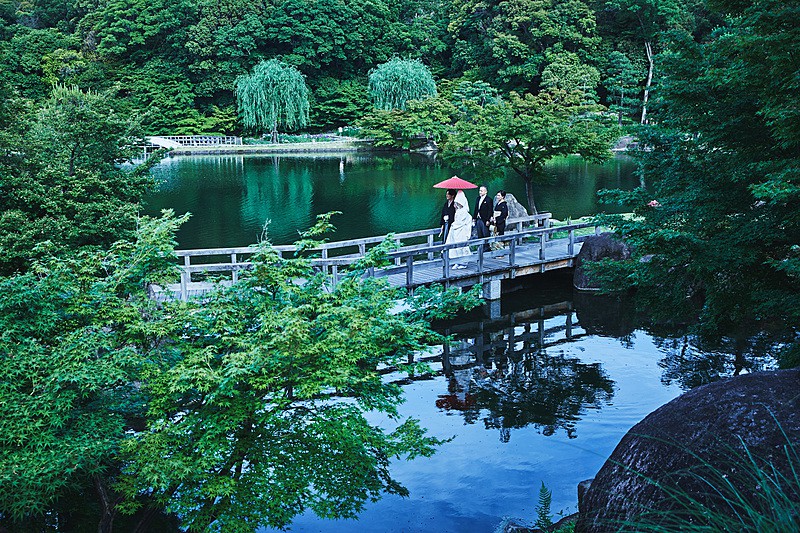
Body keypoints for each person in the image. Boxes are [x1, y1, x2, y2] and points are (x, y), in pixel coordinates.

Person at [446, 190, 473, 269]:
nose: (457, 204)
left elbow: (460, 223)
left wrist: (454, 224)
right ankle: (456, 261)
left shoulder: (464, 212)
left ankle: (463, 263)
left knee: (462, 247)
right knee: (456, 248)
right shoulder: (458, 211)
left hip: (462, 232)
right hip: (456, 232)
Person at [473, 185, 492, 250]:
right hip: (478, 218)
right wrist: (474, 218)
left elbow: (490, 210)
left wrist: (488, 220)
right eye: (479, 190)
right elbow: (476, 208)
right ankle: (481, 248)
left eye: (481, 191)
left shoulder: (489, 200)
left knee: (485, 233)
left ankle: (487, 247)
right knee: (479, 233)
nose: (480, 192)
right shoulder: (478, 198)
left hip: (485, 219)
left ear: (486, 191)